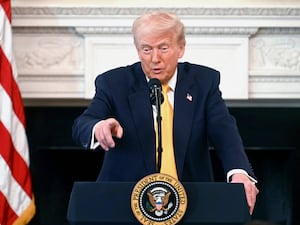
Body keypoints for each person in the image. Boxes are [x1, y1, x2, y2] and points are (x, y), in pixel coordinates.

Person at [72, 11, 259, 215]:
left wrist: (239, 172)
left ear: (181, 48)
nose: (155, 59)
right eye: (146, 49)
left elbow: (224, 131)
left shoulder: (203, 82)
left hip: (191, 201)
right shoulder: (114, 83)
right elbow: (84, 123)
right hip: (124, 202)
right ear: (137, 50)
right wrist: (98, 127)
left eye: (163, 48)